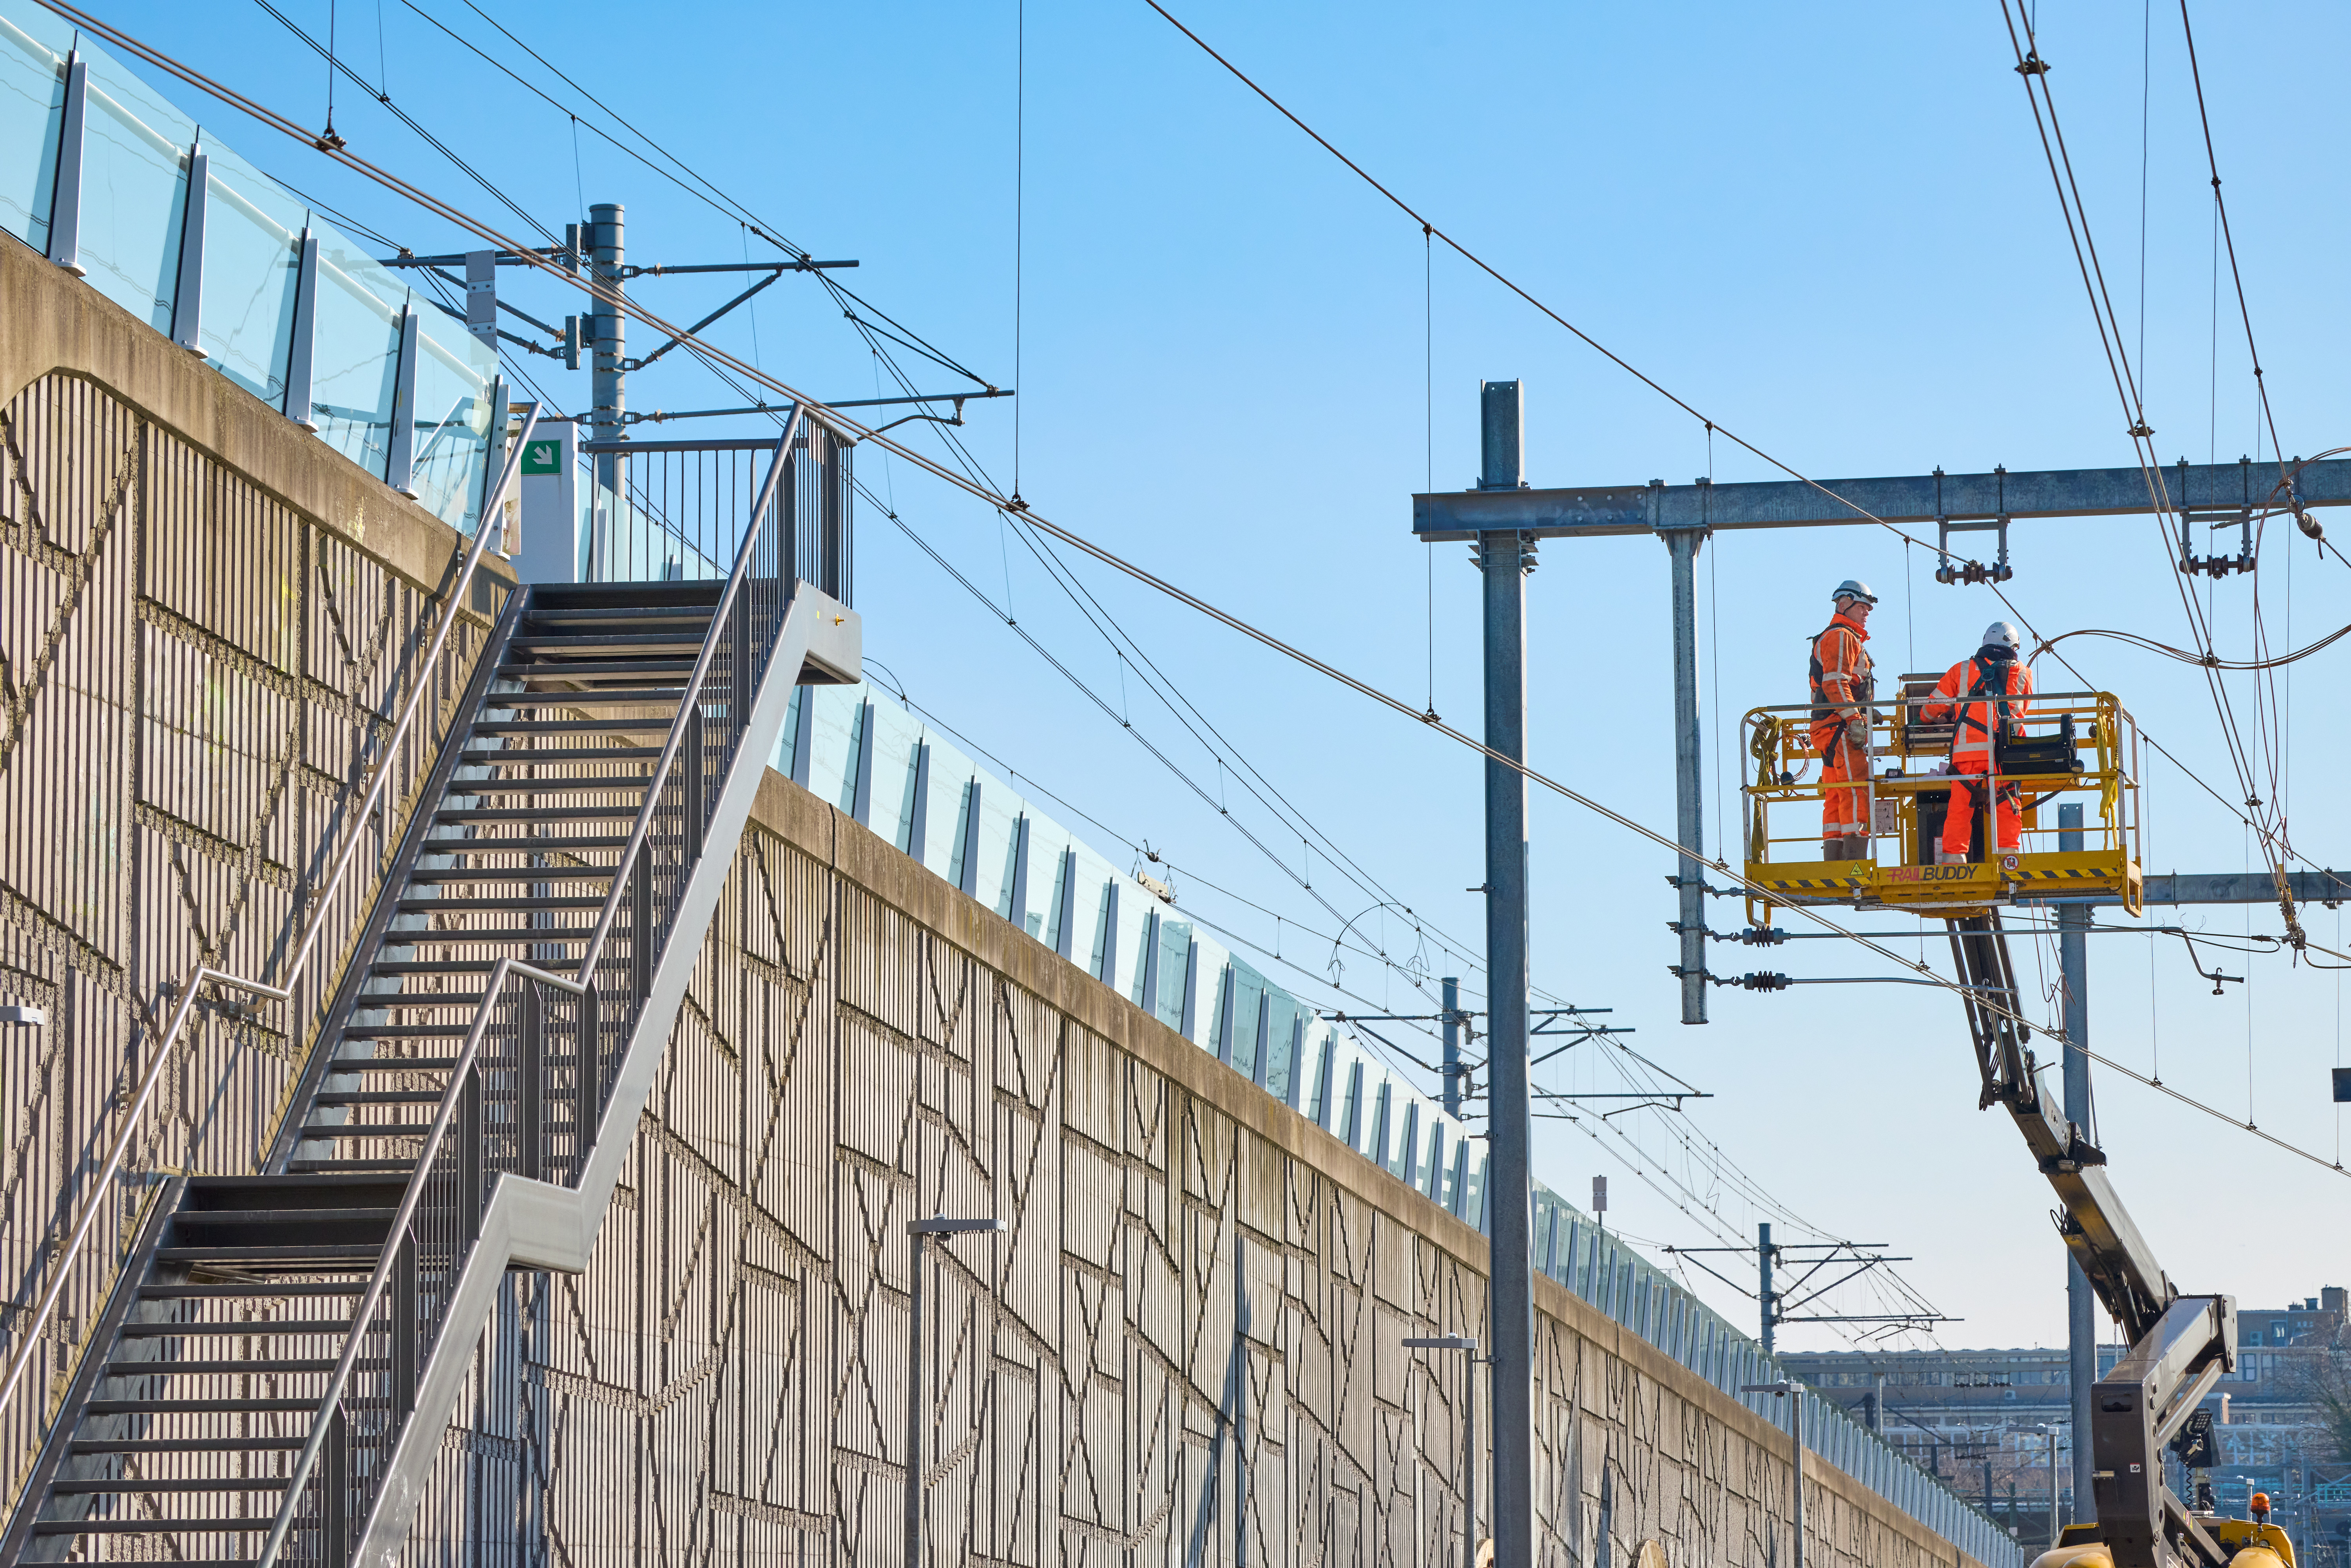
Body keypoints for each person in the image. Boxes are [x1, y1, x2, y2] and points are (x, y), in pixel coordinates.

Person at [1921, 621, 2034, 862]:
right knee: (2008, 804)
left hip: (1968, 756)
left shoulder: (1961, 670)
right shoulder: (2024, 672)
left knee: (1960, 807)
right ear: (2014, 646)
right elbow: (2021, 708)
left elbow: (1930, 710)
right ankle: (2008, 858)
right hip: (2007, 754)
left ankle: (1954, 857)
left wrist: (1933, 717)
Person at [1808, 580, 1877, 860]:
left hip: (1831, 727)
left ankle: (1835, 858)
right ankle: (1855, 860)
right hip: (1840, 727)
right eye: (1862, 607)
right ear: (1844, 604)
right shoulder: (1841, 636)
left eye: (1868, 608)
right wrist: (1855, 720)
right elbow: (1836, 682)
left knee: (1836, 793)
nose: (1867, 613)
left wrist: (1866, 712)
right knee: (1855, 789)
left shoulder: (1844, 636)